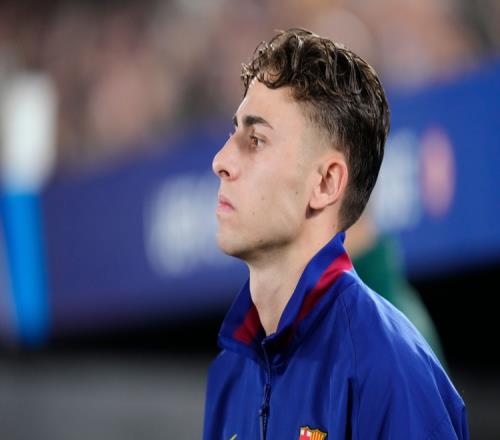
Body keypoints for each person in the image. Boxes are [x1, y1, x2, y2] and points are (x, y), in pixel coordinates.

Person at [204, 28, 468, 440]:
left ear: (326, 183)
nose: (221, 160)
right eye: (232, 133)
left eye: (255, 140)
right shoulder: (229, 373)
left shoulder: (390, 366)